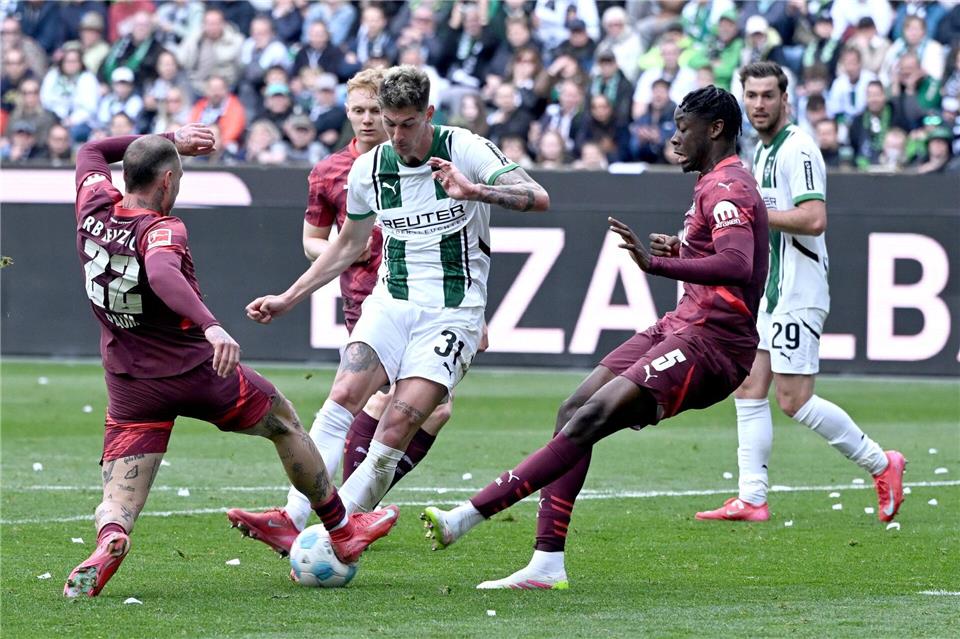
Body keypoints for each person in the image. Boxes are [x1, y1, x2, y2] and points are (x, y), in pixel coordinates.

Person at [420, 85, 768, 590]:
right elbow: (726, 256)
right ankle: (547, 564)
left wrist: (658, 264)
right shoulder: (713, 182)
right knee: (573, 409)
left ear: (715, 129)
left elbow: (738, 264)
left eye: (683, 129)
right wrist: (685, 251)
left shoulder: (729, 186)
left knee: (591, 418)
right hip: (682, 324)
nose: (674, 139)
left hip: (713, 345)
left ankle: (467, 516)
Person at [62, 124, 398, 598]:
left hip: (129, 381)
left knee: (118, 498)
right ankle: (342, 529)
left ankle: (111, 537)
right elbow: (161, 272)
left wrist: (170, 138)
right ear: (167, 181)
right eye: (178, 178)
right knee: (283, 422)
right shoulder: (162, 229)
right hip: (199, 372)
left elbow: (92, 148)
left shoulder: (93, 203)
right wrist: (211, 325)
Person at [245, 65, 550, 524]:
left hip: (452, 311)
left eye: (407, 124)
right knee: (343, 396)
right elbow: (347, 244)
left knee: (401, 421)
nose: (397, 135)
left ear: (428, 113)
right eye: (390, 124)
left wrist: (475, 191)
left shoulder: (464, 148)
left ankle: (338, 529)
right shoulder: (369, 168)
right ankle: (293, 518)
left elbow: (537, 196)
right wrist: (290, 297)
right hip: (390, 301)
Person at [228, 68, 459, 554]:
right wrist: (345, 250)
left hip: (435, 302)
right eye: (359, 111)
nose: (369, 120)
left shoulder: (426, 160)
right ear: (347, 113)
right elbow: (314, 241)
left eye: (377, 111)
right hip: (370, 299)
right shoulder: (332, 171)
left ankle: (338, 514)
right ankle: (335, 517)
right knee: (368, 401)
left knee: (430, 410)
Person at [696, 61, 905, 524]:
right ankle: (752, 498)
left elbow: (813, 219)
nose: (759, 105)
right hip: (770, 292)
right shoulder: (761, 151)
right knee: (748, 385)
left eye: (768, 95)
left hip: (798, 291)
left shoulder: (799, 148)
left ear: (785, 99)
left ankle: (881, 462)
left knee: (794, 400)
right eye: (752, 96)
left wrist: (753, 213)